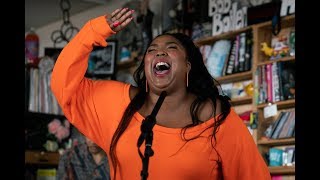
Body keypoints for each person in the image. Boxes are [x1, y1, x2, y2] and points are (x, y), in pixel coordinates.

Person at [51, 7, 271, 180]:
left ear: (188, 66)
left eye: (172, 48)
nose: (160, 51)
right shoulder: (119, 105)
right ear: (146, 65)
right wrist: (94, 31)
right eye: (152, 50)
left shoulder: (216, 116)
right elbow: (63, 84)